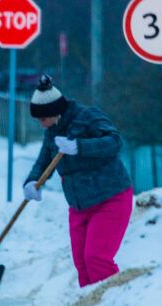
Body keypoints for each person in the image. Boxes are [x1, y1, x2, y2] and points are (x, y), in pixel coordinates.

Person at [23, 75, 133, 287]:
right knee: (82, 263)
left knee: (97, 258)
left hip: (110, 198)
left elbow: (114, 142)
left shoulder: (87, 116)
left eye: (42, 119)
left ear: (54, 111)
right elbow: (43, 161)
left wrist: (80, 147)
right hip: (79, 204)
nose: (41, 124)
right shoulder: (52, 131)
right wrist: (32, 182)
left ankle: (111, 305)